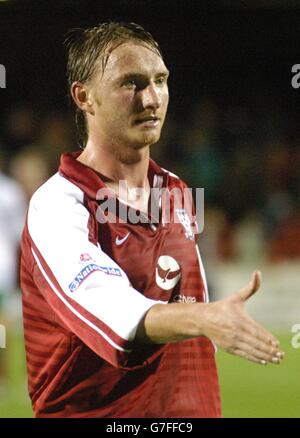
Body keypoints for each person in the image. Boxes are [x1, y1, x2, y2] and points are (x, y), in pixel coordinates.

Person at [20, 21, 284, 418]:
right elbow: (112, 311)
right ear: (84, 96)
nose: (151, 99)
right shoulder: (58, 204)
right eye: (131, 83)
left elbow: (189, 325)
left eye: (160, 80)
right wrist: (205, 318)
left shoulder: (175, 190)